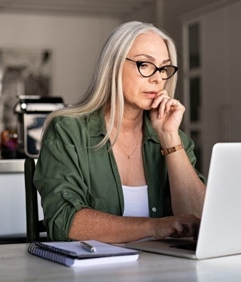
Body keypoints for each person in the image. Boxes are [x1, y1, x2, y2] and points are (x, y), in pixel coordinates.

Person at [34, 21, 206, 244]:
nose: (158, 78)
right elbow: (65, 222)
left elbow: (201, 221)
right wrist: (155, 226)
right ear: (113, 66)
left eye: (164, 68)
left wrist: (169, 138)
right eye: (145, 64)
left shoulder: (173, 138)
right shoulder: (68, 131)